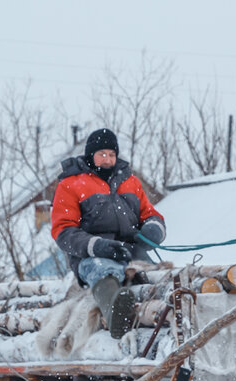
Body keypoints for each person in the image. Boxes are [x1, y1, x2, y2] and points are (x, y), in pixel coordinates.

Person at [50, 128, 166, 338]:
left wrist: (153, 229)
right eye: (102, 154)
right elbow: (63, 231)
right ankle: (116, 316)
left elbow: (150, 214)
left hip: (132, 253)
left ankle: (166, 313)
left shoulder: (130, 182)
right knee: (105, 271)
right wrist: (97, 246)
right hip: (92, 256)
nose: (107, 159)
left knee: (158, 278)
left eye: (112, 154)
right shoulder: (71, 184)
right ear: (90, 155)